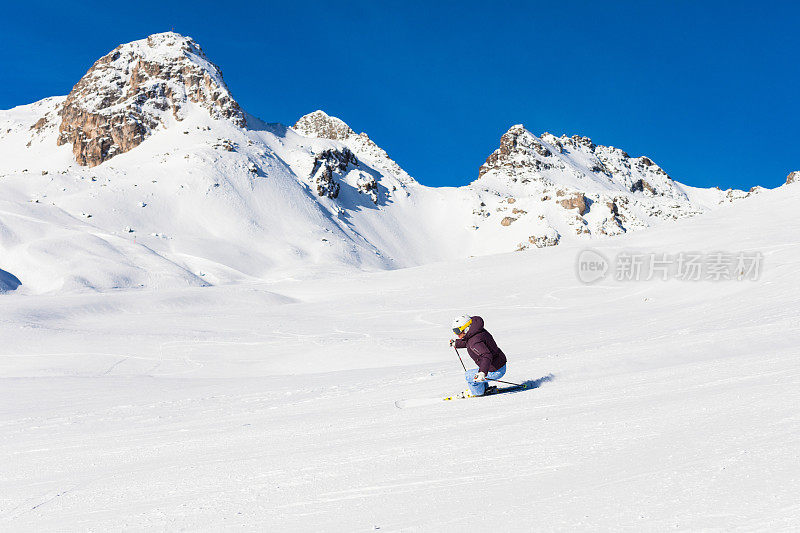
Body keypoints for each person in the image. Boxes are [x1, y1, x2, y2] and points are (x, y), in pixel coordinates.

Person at [450, 314, 507, 396]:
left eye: (458, 331)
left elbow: (486, 355)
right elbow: (469, 342)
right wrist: (457, 343)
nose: (457, 335)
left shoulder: (474, 341)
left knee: (469, 376)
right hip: (498, 364)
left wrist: (482, 373)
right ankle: (484, 388)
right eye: (454, 331)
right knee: (476, 372)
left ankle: (478, 392)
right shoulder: (476, 331)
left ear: (467, 328)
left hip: (495, 370)